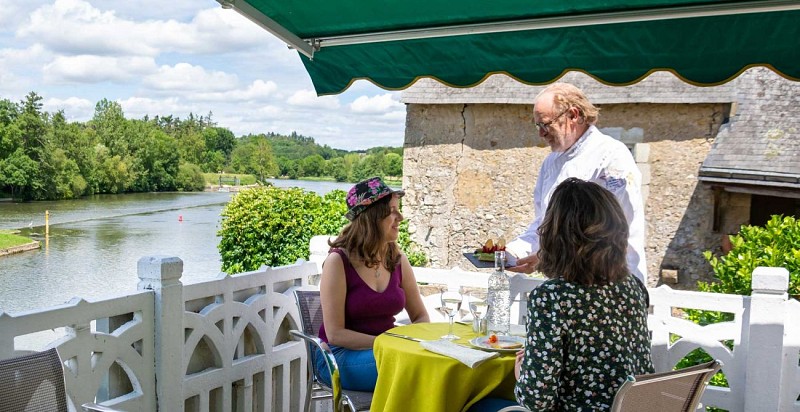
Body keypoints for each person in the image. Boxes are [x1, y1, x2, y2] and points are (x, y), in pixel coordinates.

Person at [470, 178, 653, 411]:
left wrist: (522, 373)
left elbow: (537, 400)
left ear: (557, 236)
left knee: (474, 405)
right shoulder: (634, 287)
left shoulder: (552, 297)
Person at [506, 82, 647, 283]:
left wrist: (545, 257)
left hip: (611, 282)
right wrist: (512, 251)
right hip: (567, 284)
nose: (541, 133)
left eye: (545, 124)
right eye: (538, 125)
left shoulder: (611, 157)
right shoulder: (551, 162)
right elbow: (545, 224)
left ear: (573, 115)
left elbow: (612, 231)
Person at [316, 176, 430, 391]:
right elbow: (335, 334)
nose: (400, 217)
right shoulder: (338, 261)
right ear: (372, 217)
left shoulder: (396, 259)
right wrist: (391, 341)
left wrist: (402, 340)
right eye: (393, 210)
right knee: (413, 369)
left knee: (435, 364)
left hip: (388, 351)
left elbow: (421, 316)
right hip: (338, 357)